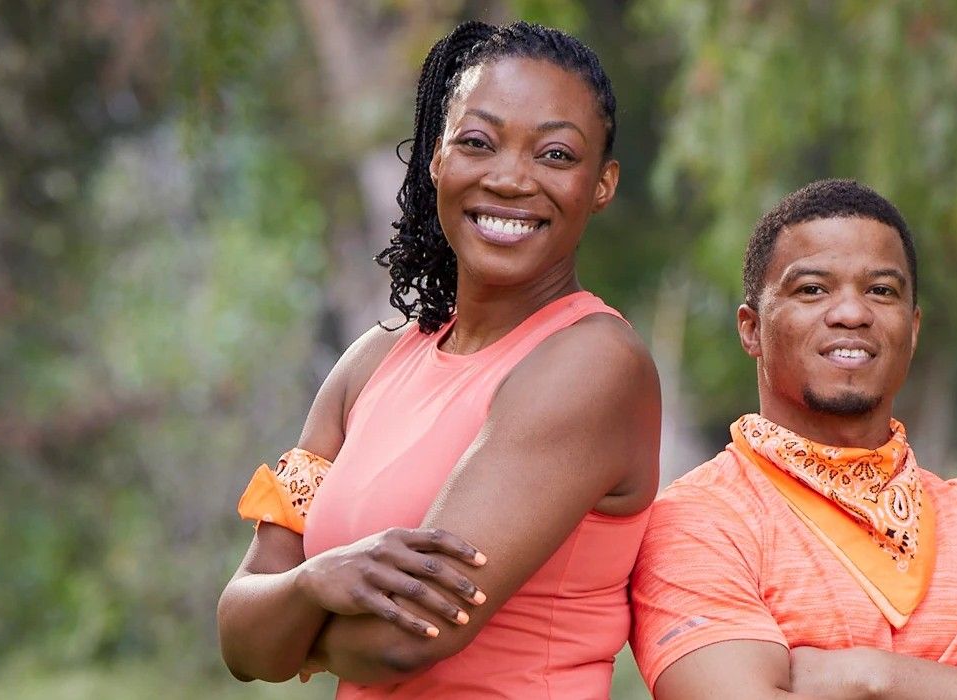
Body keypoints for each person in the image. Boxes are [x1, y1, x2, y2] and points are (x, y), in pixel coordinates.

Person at [216, 21, 660, 699]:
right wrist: (312, 581)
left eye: (556, 156)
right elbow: (237, 635)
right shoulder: (370, 365)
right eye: (478, 143)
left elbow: (405, 638)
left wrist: (292, 631)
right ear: (436, 161)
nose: (511, 179)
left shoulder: (595, 363)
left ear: (602, 185)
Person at [630, 179, 957, 699]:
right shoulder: (698, 521)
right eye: (812, 289)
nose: (852, 314)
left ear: (913, 327)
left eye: (881, 290)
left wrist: (866, 676)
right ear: (750, 329)